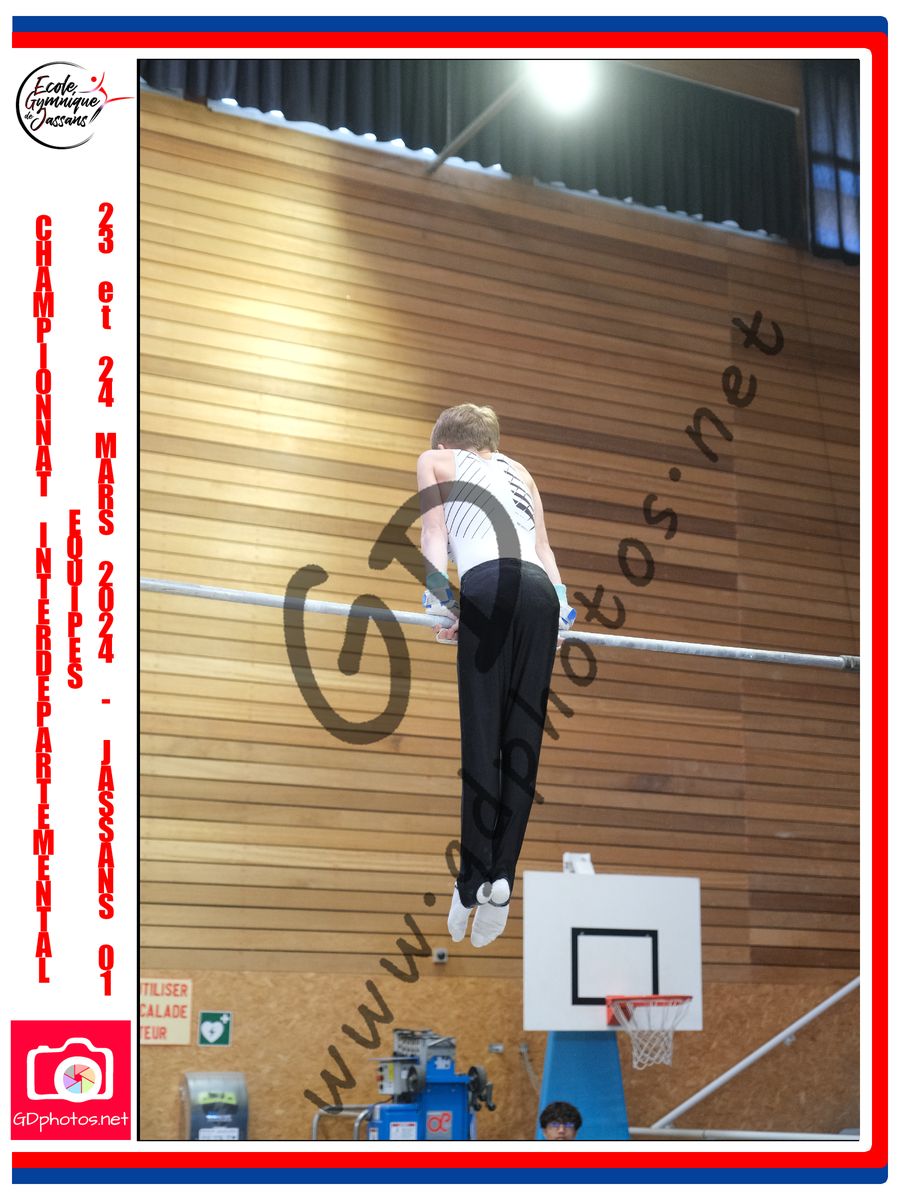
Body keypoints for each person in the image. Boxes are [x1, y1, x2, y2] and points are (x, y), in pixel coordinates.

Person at [416, 404, 576, 948]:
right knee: (521, 741)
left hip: (487, 587)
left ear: (443, 444)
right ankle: (502, 878)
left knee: (483, 740)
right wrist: (562, 615)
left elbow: (434, 532)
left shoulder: (435, 462)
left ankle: (470, 882)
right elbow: (544, 549)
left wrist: (441, 602)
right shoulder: (521, 471)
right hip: (539, 595)